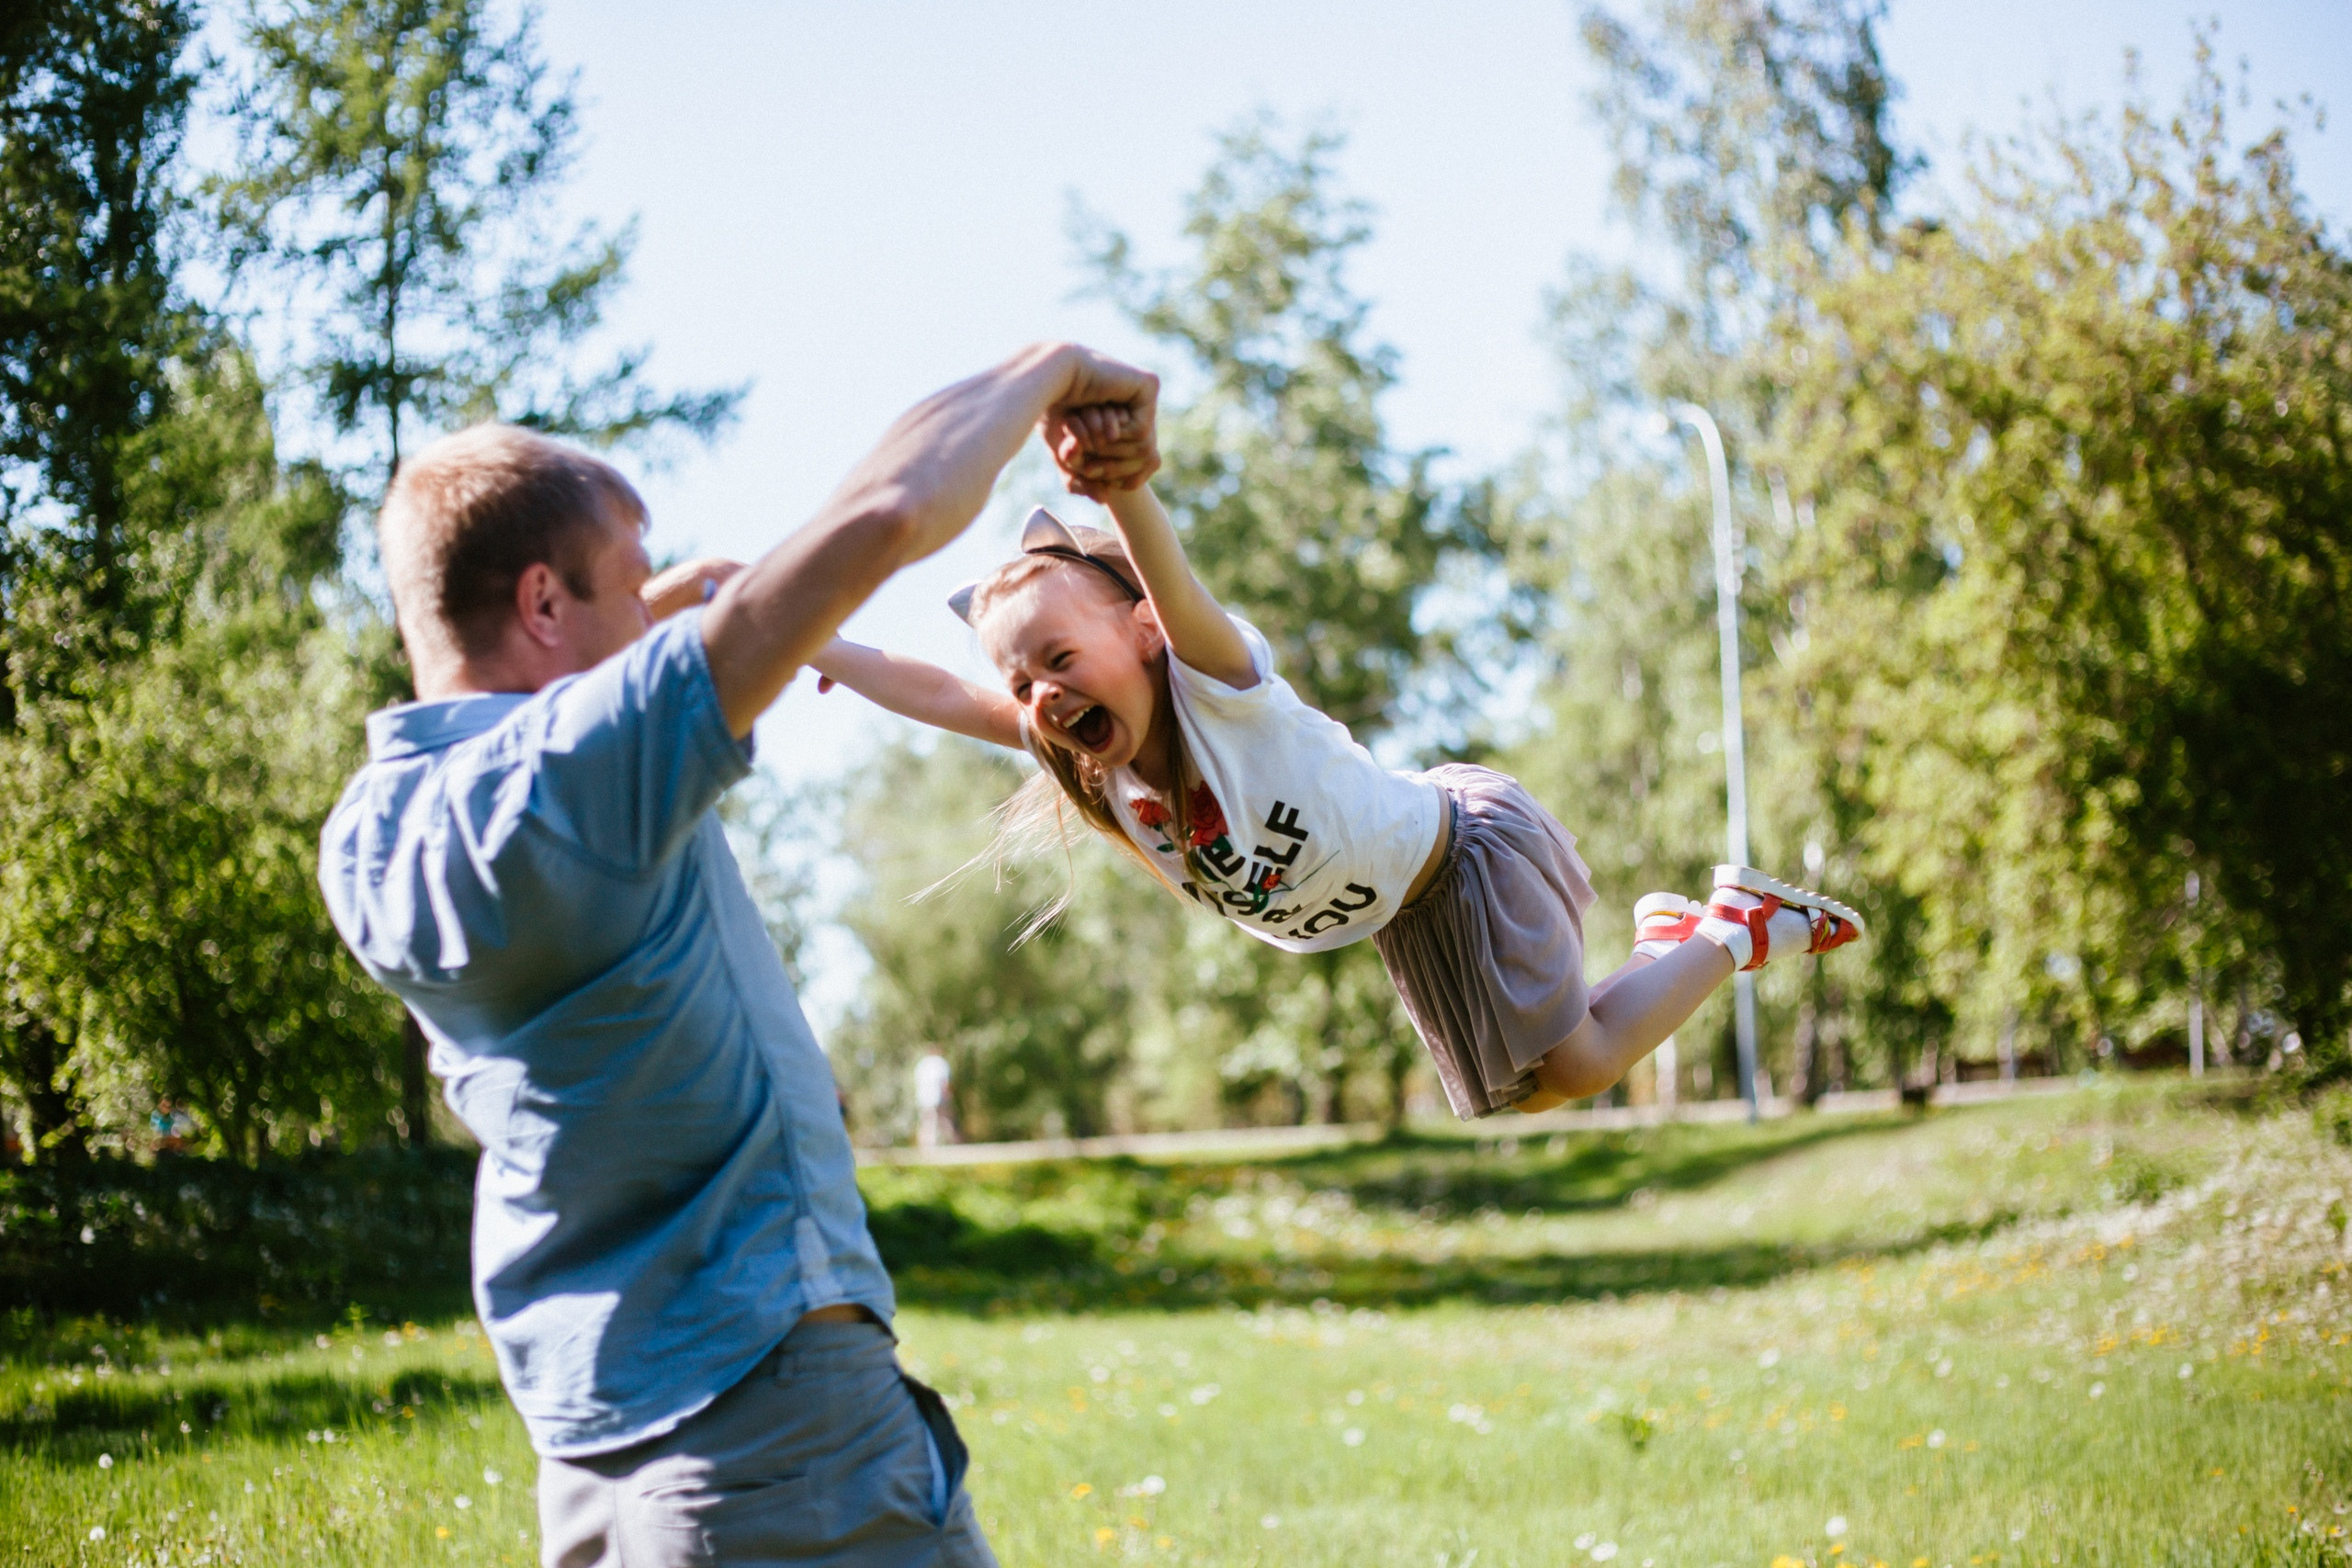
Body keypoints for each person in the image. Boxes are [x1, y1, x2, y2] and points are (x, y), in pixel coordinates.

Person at [318, 343, 1159, 1568]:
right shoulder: (577, 778)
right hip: (773, 1427)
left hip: (597, 1429)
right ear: (545, 603)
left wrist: (656, 615)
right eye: (631, 583)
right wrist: (1054, 369)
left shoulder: (375, 827)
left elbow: (549, 701)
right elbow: (887, 511)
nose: (658, 611)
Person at [809, 408, 1863, 1121]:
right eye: (1021, 679)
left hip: (1462, 860)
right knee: (1524, 1097)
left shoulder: (1218, 689)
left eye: (1058, 658)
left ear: (1141, 634)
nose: (1038, 693)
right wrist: (816, 643)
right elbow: (946, 693)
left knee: (1579, 1064)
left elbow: (1171, 582)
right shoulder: (1101, 773)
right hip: (1401, 913)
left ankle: (1733, 928)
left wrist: (1124, 486)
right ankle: (1670, 941)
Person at [912, 1050, 955, 1148]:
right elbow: (945, 1082)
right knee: (946, 1120)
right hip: (938, 1097)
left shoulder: (922, 1064)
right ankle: (952, 1143)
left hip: (924, 1098)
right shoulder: (941, 1063)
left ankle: (926, 1147)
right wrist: (948, 1095)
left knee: (927, 1122)